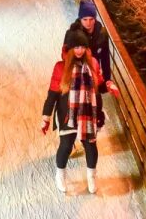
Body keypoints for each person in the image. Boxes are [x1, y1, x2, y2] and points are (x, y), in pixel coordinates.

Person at [41, 31, 104, 193]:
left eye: (82, 47)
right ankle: (60, 174)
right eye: (76, 47)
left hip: (87, 112)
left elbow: (97, 90)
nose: (79, 51)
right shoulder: (61, 67)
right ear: (69, 49)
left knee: (90, 145)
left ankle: (91, 176)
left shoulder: (93, 64)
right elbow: (53, 94)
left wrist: (100, 111)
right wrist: (46, 117)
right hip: (67, 113)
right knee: (66, 145)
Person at [61, 0, 120, 124]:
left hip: (93, 73)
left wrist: (108, 80)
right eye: (85, 19)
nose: (88, 23)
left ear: (95, 18)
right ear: (80, 19)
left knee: (95, 98)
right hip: (77, 72)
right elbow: (66, 56)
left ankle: (95, 120)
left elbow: (105, 57)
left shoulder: (102, 33)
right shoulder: (73, 33)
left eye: (91, 19)